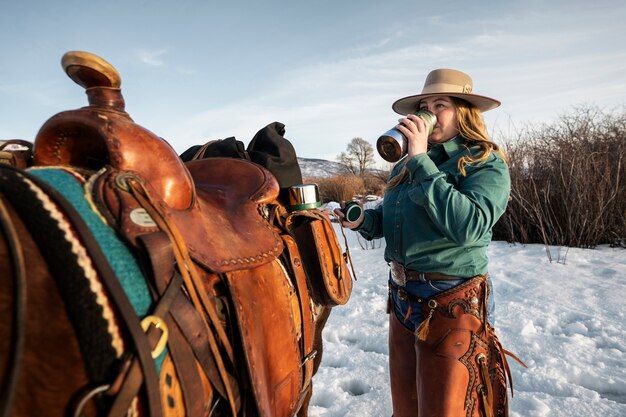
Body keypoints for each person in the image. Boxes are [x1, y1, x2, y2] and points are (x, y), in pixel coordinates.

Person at [335, 68, 523, 416]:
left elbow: (468, 225)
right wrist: (363, 219)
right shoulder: (407, 167)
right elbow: (394, 221)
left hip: (452, 301)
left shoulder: (484, 162)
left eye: (441, 104)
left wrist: (421, 160)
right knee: (405, 409)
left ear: (464, 112)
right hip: (403, 300)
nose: (429, 113)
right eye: (424, 105)